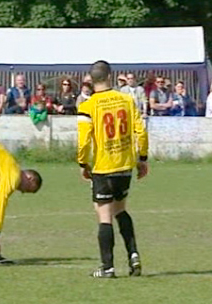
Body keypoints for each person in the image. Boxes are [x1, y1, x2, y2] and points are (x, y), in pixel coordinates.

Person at [78, 60, 149, 278]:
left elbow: (84, 141)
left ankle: (107, 267)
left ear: (90, 79)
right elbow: (141, 131)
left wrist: (83, 163)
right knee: (120, 210)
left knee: (104, 215)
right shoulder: (126, 100)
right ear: (110, 76)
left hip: (103, 166)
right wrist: (143, 158)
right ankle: (133, 255)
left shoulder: (87, 106)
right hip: (125, 165)